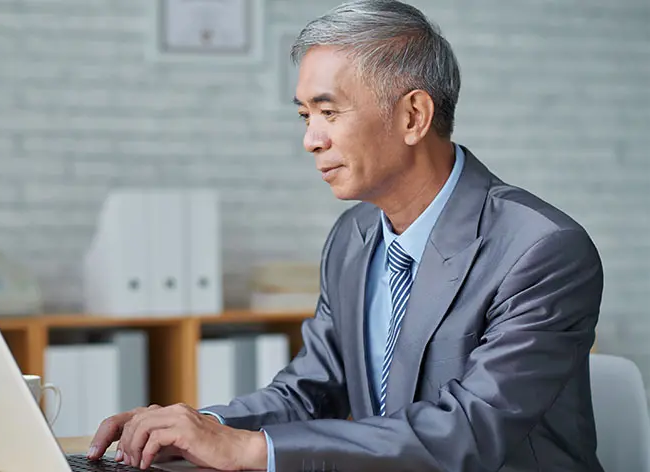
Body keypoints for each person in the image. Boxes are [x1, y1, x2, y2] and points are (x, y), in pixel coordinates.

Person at [87, 1, 605, 470]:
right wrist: (201, 427)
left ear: (413, 116)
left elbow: (467, 432)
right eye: (305, 115)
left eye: (329, 112)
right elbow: (312, 392)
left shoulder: (542, 249)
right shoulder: (353, 236)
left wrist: (250, 450)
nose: (311, 140)